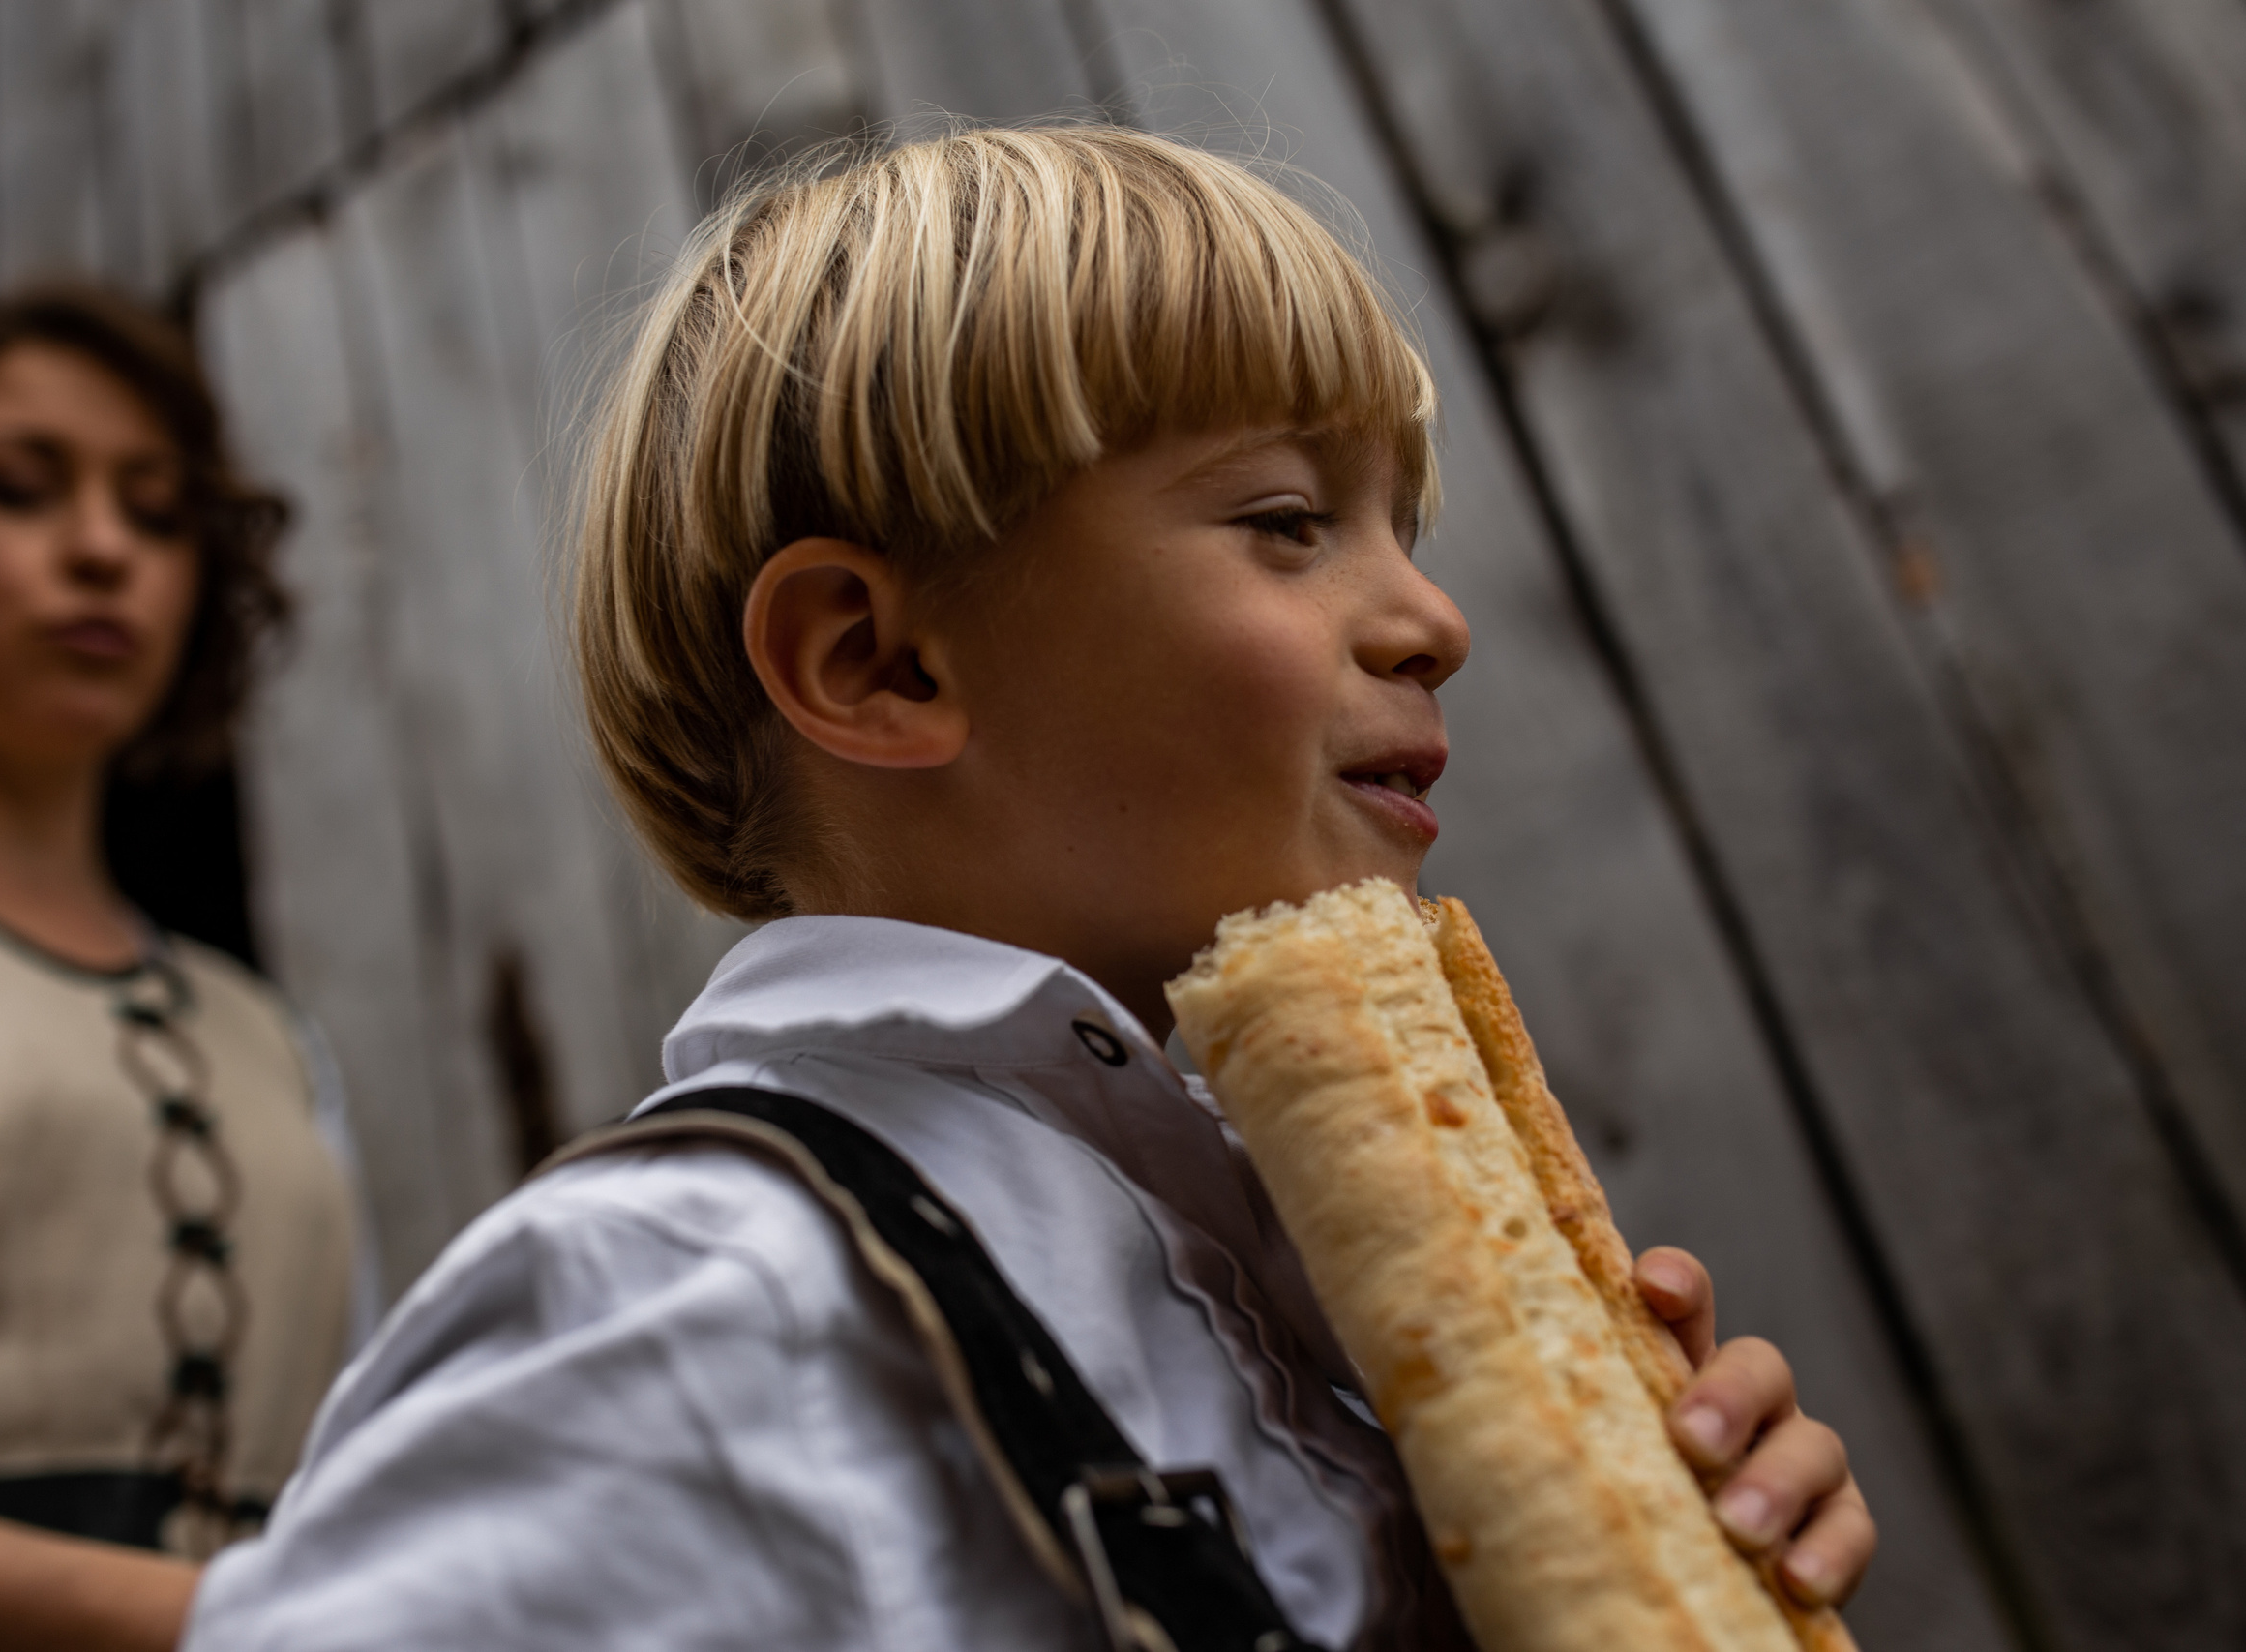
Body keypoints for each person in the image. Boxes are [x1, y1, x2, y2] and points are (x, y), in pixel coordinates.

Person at [186, 128, 1875, 1649]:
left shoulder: (1270, 1268)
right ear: (880, 662)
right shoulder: (708, 1294)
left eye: (1402, 529)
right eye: (1289, 522)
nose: (1434, 621)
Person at [0, 285, 370, 1646]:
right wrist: (190, 1615)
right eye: (18, 488)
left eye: (157, 514)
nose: (102, 550)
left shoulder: (266, 1036)